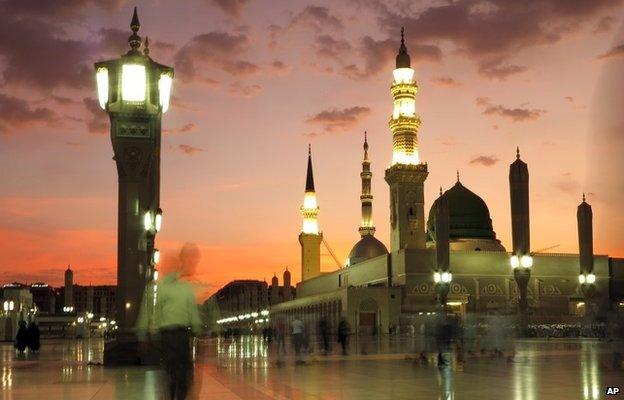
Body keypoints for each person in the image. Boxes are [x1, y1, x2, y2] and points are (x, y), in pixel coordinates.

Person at [137, 243, 203, 400]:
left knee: (171, 375)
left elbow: (147, 313)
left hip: (167, 337)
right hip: (179, 336)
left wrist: (143, 334)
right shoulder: (183, 288)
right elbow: (193, 314)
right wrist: (199, 329)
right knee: (182, 376)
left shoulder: (158, 288)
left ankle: (171, 395)